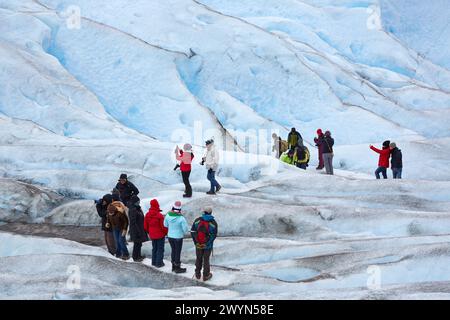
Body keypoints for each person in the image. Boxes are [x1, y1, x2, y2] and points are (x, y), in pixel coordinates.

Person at [191, 207, 218, 281]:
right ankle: (206, 275)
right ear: (210, 213)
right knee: (206, 259)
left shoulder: (197, 220)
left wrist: (196, 242)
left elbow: (193, 232)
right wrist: (208, 243)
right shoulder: (213, 223)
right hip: (207, 245)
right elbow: (214, 235)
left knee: (198, 258)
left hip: (198, 244)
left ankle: (197, 274)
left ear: (204, 212)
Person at [164, 201, 189, 273]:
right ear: (180, 209)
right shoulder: (181, 218)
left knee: (173, 250)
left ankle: (173, 267)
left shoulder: (168, 215)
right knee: (177, 252)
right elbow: (185, 230)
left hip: (170, 236)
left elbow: (165, 225)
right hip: (178, 237)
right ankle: (177, 268)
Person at [144, 199, 168, 268]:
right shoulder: (159, 216)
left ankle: (153, 262)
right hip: (160, 235)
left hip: (152, 235)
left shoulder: (147, 215)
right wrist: (165, 233)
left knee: (154, 248)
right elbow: (163, 227)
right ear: (157, 205)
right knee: (160, 249)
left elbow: (145, 226)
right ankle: (159, 263)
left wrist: (150, 232)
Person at [127, 195, 148, 262]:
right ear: (134, 202)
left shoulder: (136, 208)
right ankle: (135, 257)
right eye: (137, 201)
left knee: (139, 243)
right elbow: (133, 222)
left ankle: (138, 256)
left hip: (139, 228)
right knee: (137, 244)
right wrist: (138, 231)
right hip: (136, 230)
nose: (139, 202)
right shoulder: (133, 210)